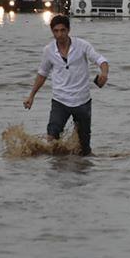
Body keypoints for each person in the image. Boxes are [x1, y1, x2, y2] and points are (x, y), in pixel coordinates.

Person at [24, 15, 109, 156]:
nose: (59, 34)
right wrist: (31, 96)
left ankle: (83, 172)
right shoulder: (49, 50)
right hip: (60, 100)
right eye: (56, 31)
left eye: (63, 30)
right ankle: (55, 169)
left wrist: (104, 74)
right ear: (52, 32)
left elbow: (101, 60)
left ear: (68, 30)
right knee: (52, 137)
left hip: (82, 101)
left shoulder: (82, 45)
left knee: (84, 148)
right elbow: (42, 73)